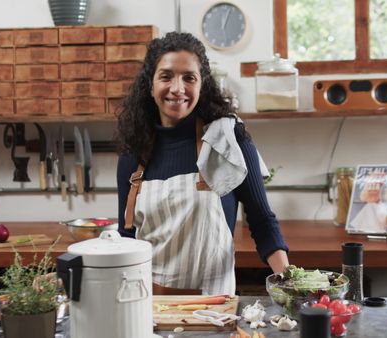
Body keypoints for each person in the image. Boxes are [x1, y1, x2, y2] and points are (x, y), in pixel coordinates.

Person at [115, 32, 289, 295]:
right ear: (150, 86)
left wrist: (290, 282)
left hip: (215, 311)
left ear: (202, 86)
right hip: (147, 308)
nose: (177, 88)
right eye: (166, 76)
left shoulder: (227, 141)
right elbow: (127, 238)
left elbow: (262, 222)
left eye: (189, 77)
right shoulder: (133, 157)